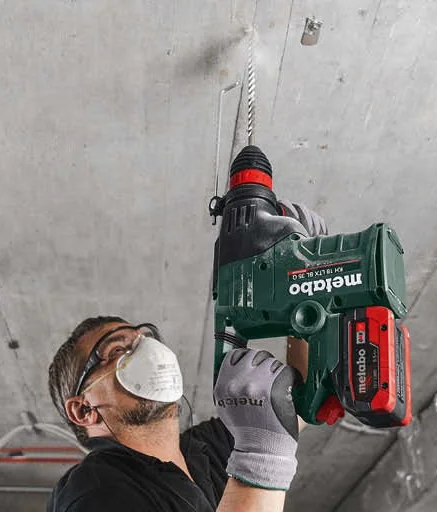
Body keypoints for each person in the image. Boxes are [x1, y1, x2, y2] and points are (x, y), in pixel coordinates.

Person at [44, 203, 326, 512]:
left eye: (145, 339)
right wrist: (261, 459)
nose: (149, 351)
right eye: (118, 349)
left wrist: (305, 283)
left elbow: (294, 402)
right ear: (85, 410)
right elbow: (268, 439)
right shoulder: (92, 490)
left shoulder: (203, 452)